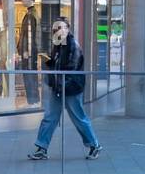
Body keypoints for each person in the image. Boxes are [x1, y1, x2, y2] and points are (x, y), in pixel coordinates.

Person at [27, 18, 101, 160]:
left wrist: (56, 70)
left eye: (60, 28)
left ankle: (94, 145)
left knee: (78, 118)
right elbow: (58, 64)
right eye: (55, 29)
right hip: (58, 87)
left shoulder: (73, 45)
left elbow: (70, 67)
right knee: (50, 117)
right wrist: (50, 61)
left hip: (71, 88)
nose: (57, 31)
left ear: (67, 29)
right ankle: (41, 148)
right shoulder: (59, 44)